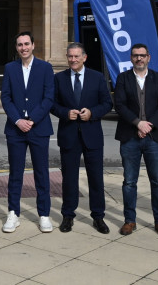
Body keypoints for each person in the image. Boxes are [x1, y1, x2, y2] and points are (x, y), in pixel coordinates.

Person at [113, 43, 158, 238]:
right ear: (131, 58)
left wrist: (148, 125)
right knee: (129, 182)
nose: (139, 59)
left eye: (142, 55)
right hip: (130, 136)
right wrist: (138, 123)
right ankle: (130, 220)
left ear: (149, 57)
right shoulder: (122, 78)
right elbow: (120, 105)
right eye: (135, 56)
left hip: (154, 137)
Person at [52, 42, 112, 233]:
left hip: (92, 135)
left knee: (96, 178)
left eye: (77, 56)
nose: (73, 60)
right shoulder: (59, 78)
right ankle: (68, 216)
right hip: (69, 135)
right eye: (70, 56)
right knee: (69, 179)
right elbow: (52, 104)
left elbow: (107, 103)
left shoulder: (97, 77)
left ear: (84, 57)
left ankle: (98, 217)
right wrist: (64, 113)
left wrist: (92, 113)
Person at [0, 31, 56, 233]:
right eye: (19, 44)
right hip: (16, 130)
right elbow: (5, 97)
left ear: (33, 45)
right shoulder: (10, 68)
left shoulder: (45, 68)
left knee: (41, 173)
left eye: (26, 44)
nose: (23, 48)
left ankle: (44, 214)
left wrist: (31, 120)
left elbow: (49, 98)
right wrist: (18, 120)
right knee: (15, 173)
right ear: (16, 47)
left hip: (38, 128)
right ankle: (13, 213)